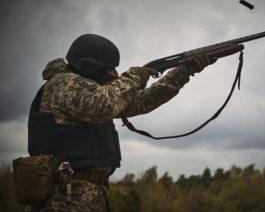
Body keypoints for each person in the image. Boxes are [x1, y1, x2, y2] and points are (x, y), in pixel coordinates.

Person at [26, 34, 216, 211]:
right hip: (63, 199)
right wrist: (135, 76)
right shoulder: (62, 84)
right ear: (89, 66)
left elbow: (141, 102)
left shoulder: (92, 92)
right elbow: (102, 105)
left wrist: (183, 72)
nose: (115, 74)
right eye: (110, 68)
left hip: (82, 195)